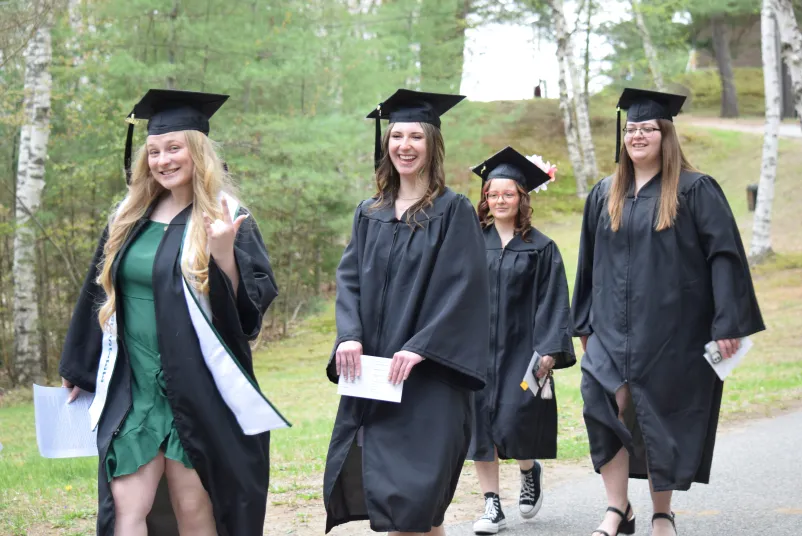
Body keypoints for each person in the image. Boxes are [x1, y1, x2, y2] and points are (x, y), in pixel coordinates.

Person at [59, 89, 289, 536]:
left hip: (196, 386)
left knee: (192, 507)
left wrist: (223, 255)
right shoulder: (129, 217)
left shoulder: (228, 217)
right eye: (154, 151)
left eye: (174, 148)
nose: (163, 160)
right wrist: (78, 366)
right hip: (134, 383)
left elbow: (247, 317)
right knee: (126, 504)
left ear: (197, 151)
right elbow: (99, 291)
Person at [570, 88, 765, 536]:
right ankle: (617, 509)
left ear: (666, 134)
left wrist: (728, 322)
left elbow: (724, 256)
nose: (637, 136)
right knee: (601, 410)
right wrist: (583, 323)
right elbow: (588, 261)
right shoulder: (605, 194)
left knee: (660, 418)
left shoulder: (695, 190)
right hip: (609, 330)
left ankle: (661, 513)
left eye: (647, 129)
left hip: (671, 331)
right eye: (631, 129)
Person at [323, 89, 490, 536]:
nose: (405, 145)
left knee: (415, 504)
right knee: (414, 512)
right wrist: (349, 335)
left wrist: (420, 347)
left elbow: (465, 289)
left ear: (432, 144)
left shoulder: (452, 211)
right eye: (397, 135)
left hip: (429, 380)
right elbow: (350, 280)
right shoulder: (369, 212)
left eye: (416, 135)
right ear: (386, 143)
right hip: (377, 376)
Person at [467, 147, 576, 534]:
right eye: (493, 194)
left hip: (522, 348)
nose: (499, 200)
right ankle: (492, 505)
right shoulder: (469, 242)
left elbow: (554, 299)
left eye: (508, 194)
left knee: (516, 420)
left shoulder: (541, 248)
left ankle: (529, 469)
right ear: (485, 198)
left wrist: (549, 349)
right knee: (481, 427)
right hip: (476, 349)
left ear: (522, 198)